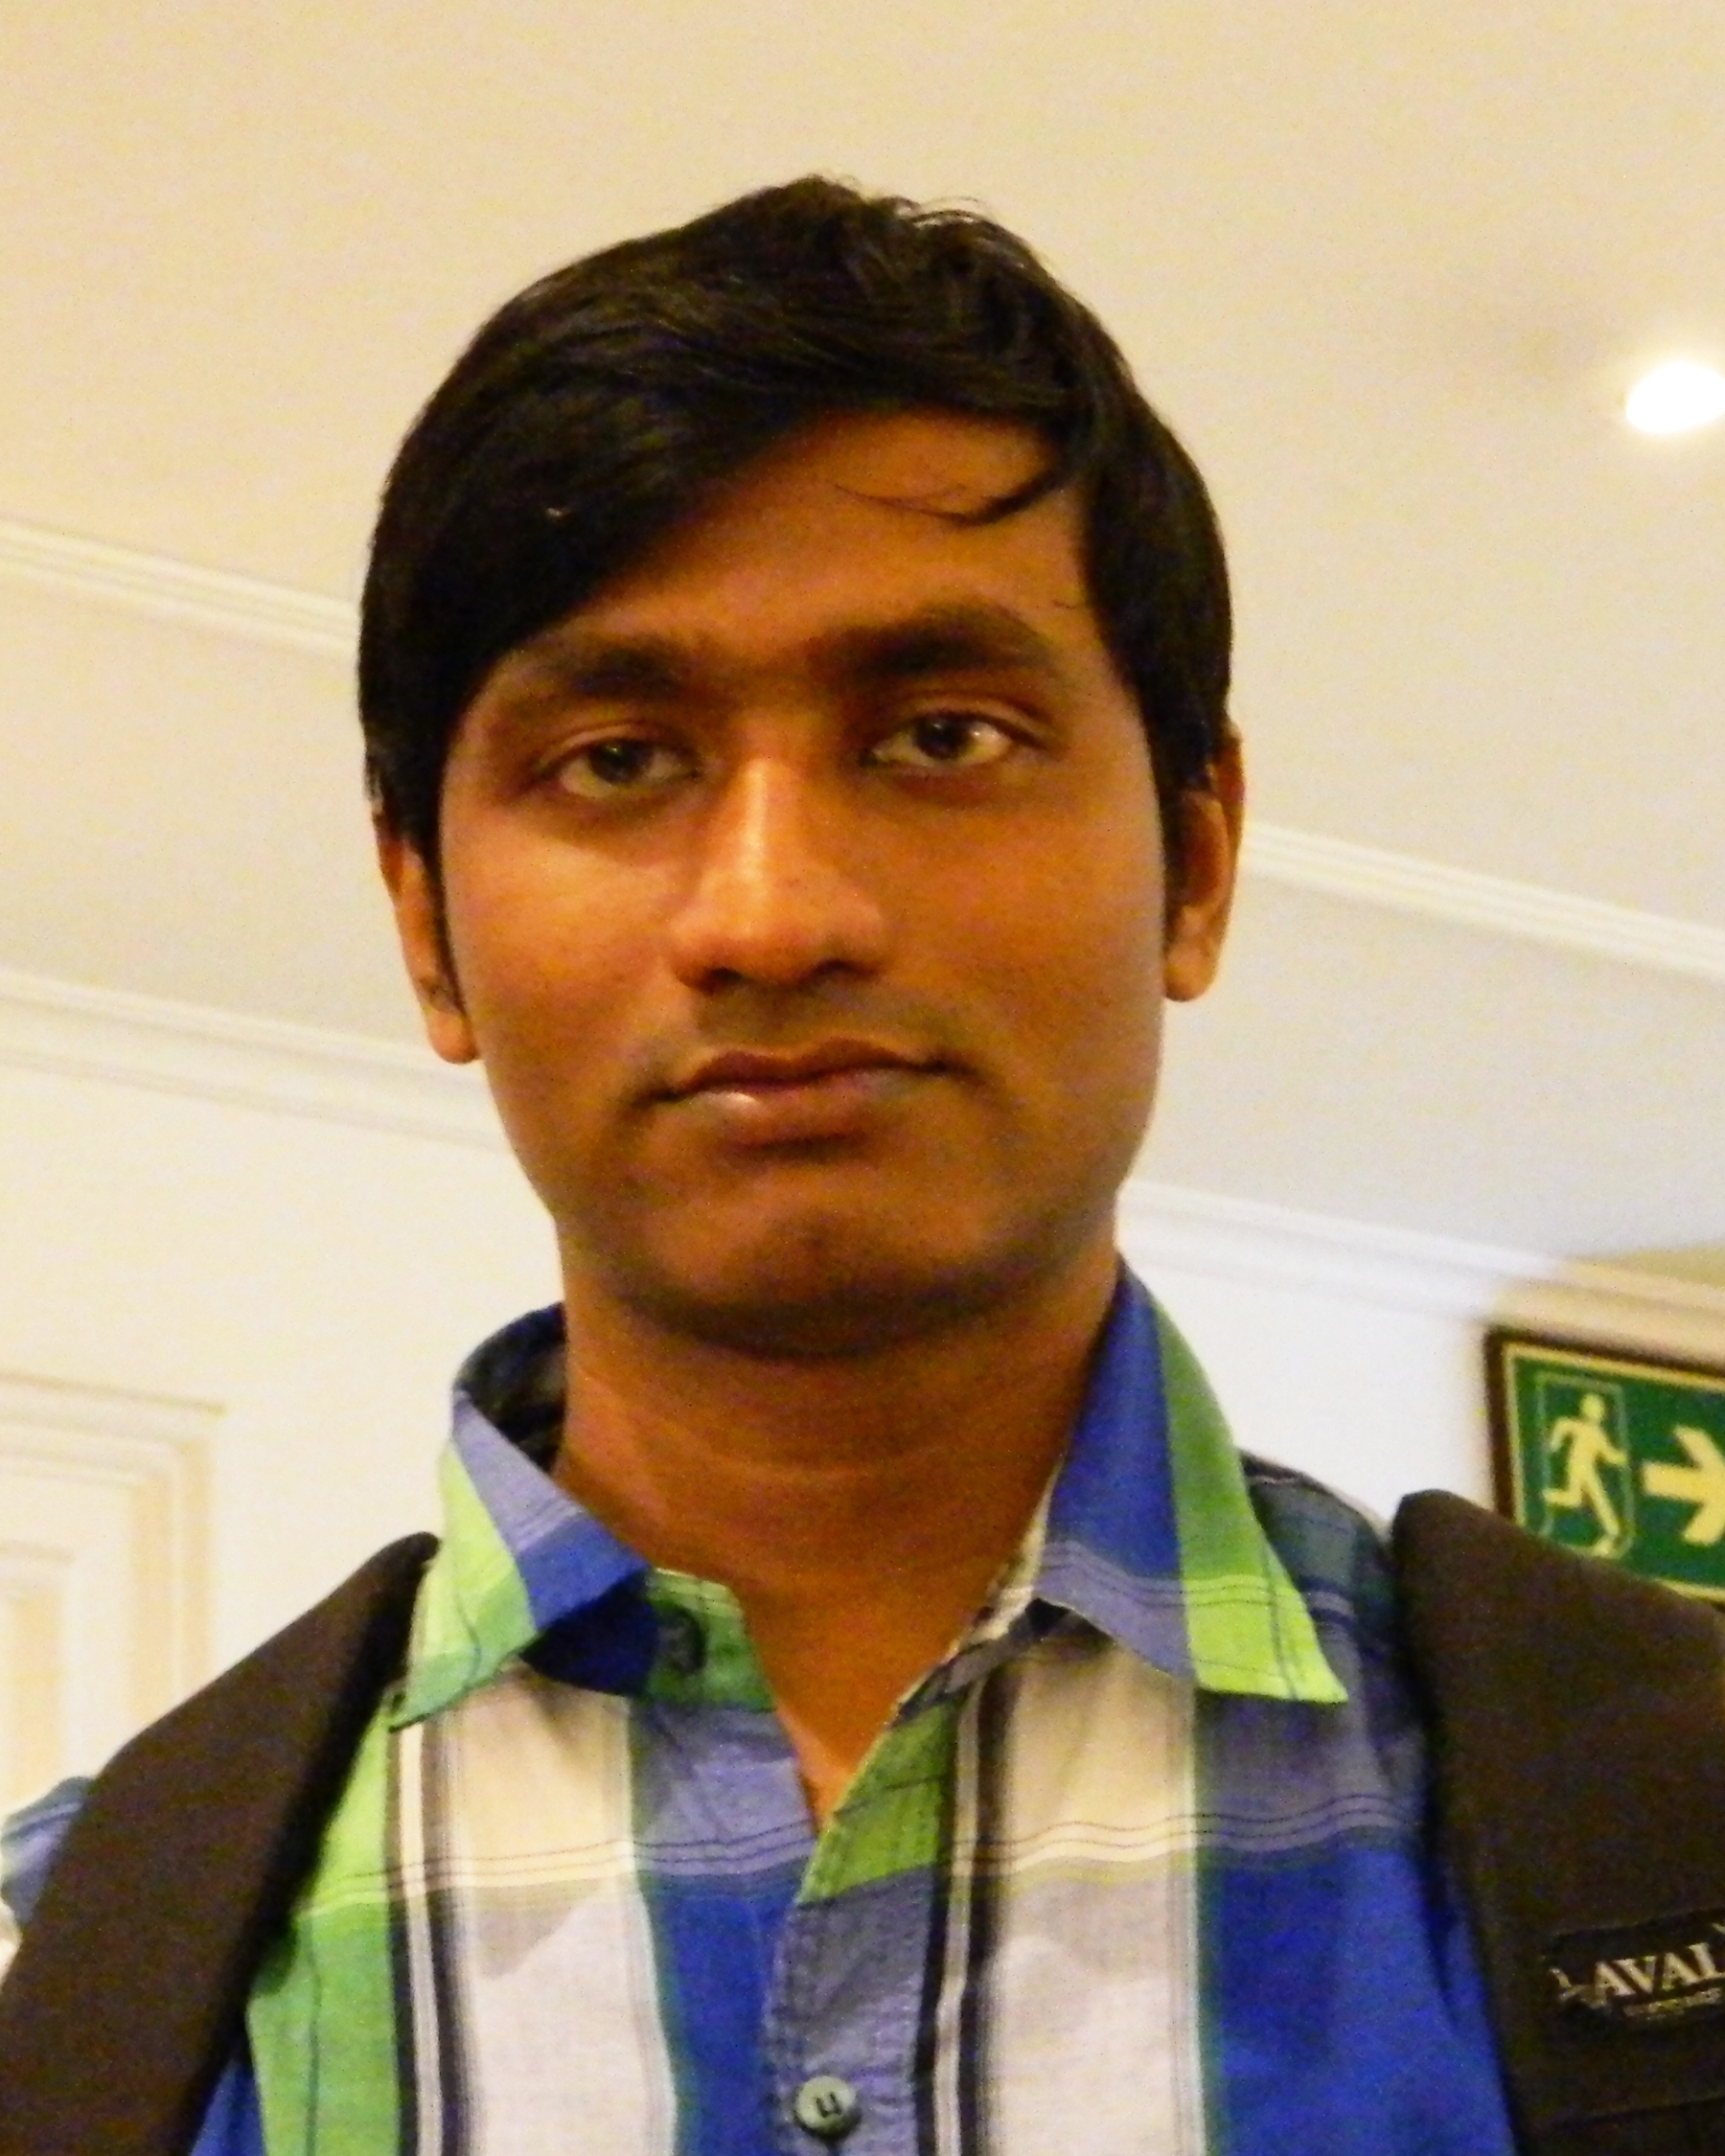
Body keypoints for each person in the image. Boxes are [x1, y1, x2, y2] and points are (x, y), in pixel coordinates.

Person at [0, 177, 1521, 2153]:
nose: (774, 915)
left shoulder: (1653, 1830)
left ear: (1198, 858)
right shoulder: (84, 1979)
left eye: (944, 735)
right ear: (426, 926)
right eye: (619, 760)